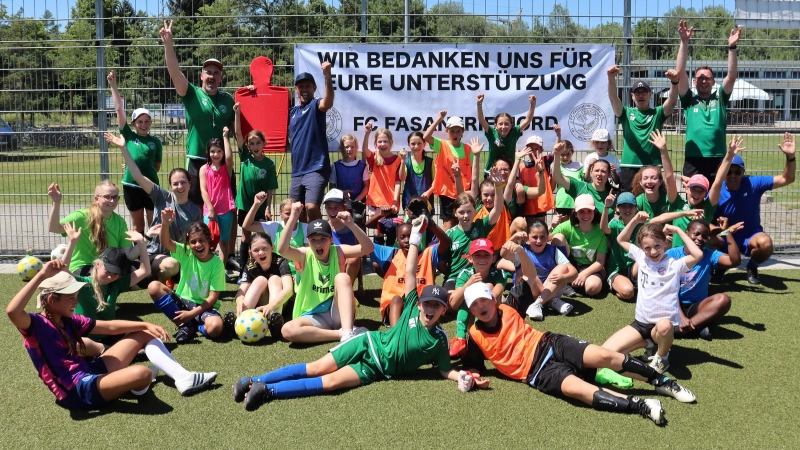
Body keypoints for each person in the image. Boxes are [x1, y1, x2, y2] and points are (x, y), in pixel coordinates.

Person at [233, 217, 465, 411]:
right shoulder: (413, 306)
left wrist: (463, 377)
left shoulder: (440, 339)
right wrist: (415, 236)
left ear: (445, 309)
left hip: (377, 370)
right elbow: (411, 272)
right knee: (317, 368)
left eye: (437, 306)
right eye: (428, 304)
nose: (430, 309)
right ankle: (253, 381)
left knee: (330, 383)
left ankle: (267, 391)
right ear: (420, 304)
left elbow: (446, 369)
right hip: (366, 343)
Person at [462, 281, 696, 426]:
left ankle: (662, 381)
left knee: (604, 356)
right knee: (579, 390)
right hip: (537, 373)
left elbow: (529, 276)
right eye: (474, 305)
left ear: (493, 299)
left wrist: (519, 249)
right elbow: (474, 366)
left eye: (484, 300)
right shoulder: (474, 335)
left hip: (550, 343)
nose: (480, 307)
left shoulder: (510, 306)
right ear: (470, 310)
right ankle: (642, 405)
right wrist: (472, 376)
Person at [7, 260, 217, 409]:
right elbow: (12, 311)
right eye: (70, 298)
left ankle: (183, 378)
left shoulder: (69, 320)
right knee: (142, 374)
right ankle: (131, 384)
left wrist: (145, 325)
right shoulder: (37, 326)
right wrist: (42, 275)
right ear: (52, 301)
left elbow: (109, 327)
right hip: (77, 392)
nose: (76, 302)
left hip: (89, 371)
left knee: (141, 333)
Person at [602, 213, 703, 373]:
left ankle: (662, 357)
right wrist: (635, 220)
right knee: (605, 353)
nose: (653, 251)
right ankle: (648, 343)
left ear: (665, 243)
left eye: (657, 246)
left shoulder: (675, 264)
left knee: (664, 325)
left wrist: (677, 230)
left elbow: (698, 254)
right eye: (647, 248)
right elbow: (621, 239)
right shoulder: (641, 258)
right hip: (641, 323)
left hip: (663, 328)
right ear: (642, 248)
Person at [106, 132, 202, 285]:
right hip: (155, 255)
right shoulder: (162, 196)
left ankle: (164, 280)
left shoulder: (195, 211)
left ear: (190, 184)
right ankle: (162, 286)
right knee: (171, 265)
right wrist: (124, 148)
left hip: (180, 256)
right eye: (175, 183)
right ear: (170, 186)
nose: (180, 186)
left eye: (183, 182)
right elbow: (137, 176)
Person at [160, 20, 235, 206]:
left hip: (220, 161)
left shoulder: (228, 99)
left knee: (222, 206)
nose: (212, 76)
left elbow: (239, 129)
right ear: (201, 76)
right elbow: (175, 72)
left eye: (216, 73)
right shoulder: (191, 93)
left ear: (220, 78)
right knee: (195, 206)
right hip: (196, 159)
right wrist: (169, 45)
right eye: (208, 72)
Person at [277, 203, 373, 344]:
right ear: (308, 242)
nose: (318, 244)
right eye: (313, 240)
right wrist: (293, 217)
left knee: (342, 277)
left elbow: (368, 248)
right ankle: (342, 333)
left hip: (338, 311)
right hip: (313, 316)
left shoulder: (338, 251)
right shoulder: (304, 255)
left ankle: (347, 331)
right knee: (288, 330)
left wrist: (351, 224)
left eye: (323, 239)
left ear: (331, 240)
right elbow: (282, 250)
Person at [714, 132, 796, 284]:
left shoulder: (754, 183)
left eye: (737, 171)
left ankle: (752, 266)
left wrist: (790, 157)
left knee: (765, 244)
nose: (733, 175)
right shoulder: (716, 189)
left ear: (743, 172)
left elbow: (787, 178)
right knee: (706, 237)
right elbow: (705, 220)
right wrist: (724, 231)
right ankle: (722, 264)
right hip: (725, 235)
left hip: (750, 236)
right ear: (723, 173)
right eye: (728, 171)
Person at [676, 20, 742, 183]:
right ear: (694, 82)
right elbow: (679, 73)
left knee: (717, 200)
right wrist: (684, 42)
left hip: (718, 157)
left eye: (707, 78)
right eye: (700, 78)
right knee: (694, 199)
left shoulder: (720, 97)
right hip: (694, 158)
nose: (704, 81)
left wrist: (732, 48)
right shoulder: (689, 99)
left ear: (713, 82)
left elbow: (732, 76)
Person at [147, 209, 226, 343]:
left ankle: (198, 326)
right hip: (183, 302)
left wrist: (191, 314)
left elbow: (213, 298)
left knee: (215, 328)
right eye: (193, 242)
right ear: (188, 244)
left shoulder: (217, 263)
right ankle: (185, 326)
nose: (198, 245)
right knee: (153, 287)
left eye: (202, 240)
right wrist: (165, 223)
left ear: (209, 240)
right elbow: (166, 242)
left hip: (203, 307)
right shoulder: (186, 253)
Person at [370, 202, 451, 327]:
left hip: (421, 308)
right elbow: (364, 241)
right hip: (394, 308)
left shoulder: (428, 253)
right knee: (396, 299)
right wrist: (379, 215)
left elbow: (446, 242)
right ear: (397, 240)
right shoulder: (390, 254)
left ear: (417, 236)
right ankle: (396, 335)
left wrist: (431, 223)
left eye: (411, 236)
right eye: (403, 237)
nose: (407, 240)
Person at [665, 219, 742, 340]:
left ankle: (684, 329)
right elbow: (667, 290)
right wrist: (681, 316)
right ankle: (698, 327)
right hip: (672, 304)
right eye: (696, 234)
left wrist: (727, 232)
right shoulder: (672, 254)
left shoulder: (709, 255)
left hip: (695, 307)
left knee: (724, 300)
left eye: (705, 236)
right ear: (686, 234)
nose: (700, 238)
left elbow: (734, 261)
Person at [607, 66, 679, 192]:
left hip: (652, 166)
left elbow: (672, 100)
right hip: (630, 166)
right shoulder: (625, 113)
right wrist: (611, 79)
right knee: (629, 203)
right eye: (637, 93)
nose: (641, 96)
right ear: (632, 96)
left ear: (650, 94)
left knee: (653, 201)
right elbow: (614, 99)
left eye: (644, 92)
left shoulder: (657, 113)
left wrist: (674, 82)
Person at [107, 70, 162, 234]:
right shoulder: (128, 136)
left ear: (151, 122)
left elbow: (156, 166)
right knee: (137, 227)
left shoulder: (156, 142)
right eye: (140, 122)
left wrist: (138, 168)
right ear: (133, 123)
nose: (143, 124)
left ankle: (154, 255)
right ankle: (138, 256)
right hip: (131, 186)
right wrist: (113, 85)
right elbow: (118, 109)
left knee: (154, 225)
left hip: (151, 187)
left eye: (147, 121)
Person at [47, 180, 134, 276]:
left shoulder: (119, 221)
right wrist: (56, 203)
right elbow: (54, 228)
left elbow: (129, 254)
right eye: (107, 197)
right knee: (104, 277)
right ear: (96, 199)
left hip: (108, 267)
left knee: (143, 275)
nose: (112, 201)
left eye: (115, 197)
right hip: (82, 266)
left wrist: (146, 238)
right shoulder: (81, 216)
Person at [670, 135, 743, 248]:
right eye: (693, 189)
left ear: (706, 193)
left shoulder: (707, 207)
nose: (696, 194)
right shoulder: (678, 204)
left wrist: (729, 156)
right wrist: (663, 150)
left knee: (731, 259)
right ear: (687, 188)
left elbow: (718, 182)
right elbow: (669, 177)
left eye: (701, 191)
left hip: (701, 258)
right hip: (678, 259)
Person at [497, 222, 577, 320]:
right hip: (527, 291)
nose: (539, 241)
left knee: (563, 269)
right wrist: (512, 239)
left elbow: (573, 272)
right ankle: (550, 301)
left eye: (542, 237)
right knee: (529, 273)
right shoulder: (522, 250)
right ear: (527, 237)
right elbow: (504, 254)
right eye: (534, 237)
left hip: (549, 288)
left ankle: (538, 304)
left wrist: (563, 277)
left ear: (548, 237)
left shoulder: (553, 250)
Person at [234, 102, 278, 274]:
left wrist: (268, 206)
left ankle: (263, 266)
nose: (255, 146)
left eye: (258, 143)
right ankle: (245, 269)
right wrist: (237, 114)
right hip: (246, 205)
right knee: (245, 236)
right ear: (247, 146)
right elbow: (238, 134)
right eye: (251, 143)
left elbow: (270, 187)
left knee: (261, 237)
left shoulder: (269, 164)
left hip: (261, 208)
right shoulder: (245, 158)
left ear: (264, 144)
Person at [289, 64, 334, 222]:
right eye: (301, 86)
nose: (304, 89)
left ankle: (322, 238)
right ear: (296, 89)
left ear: (314, 88)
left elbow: (327, 103)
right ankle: (305, 244)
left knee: (311, 207)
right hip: (297, 171)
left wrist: (328, 76)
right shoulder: (292, 112)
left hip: (316, 167)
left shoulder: (315, 105)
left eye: (308, 85)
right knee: (295, 211)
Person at [234, 232, 293, 339]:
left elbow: (289, 290)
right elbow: (241, 291)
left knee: (274, 278)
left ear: (272, 248)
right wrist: (240, 300)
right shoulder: (250, 265)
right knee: (260, 280)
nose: (261, 253)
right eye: (256, 250)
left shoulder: (281, 261)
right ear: (250, 253)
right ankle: (241, 318)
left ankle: (275, 320)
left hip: (281, 304)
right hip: (260, 305)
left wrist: (271, 306)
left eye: (264, 248)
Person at [550, 194, 609, 298]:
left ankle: (572, 283)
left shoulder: (600, 231)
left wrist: (584, 274)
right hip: (569, 265)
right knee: (558, 237)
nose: (585, 215)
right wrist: (552, 226)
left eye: (589, 211)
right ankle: (569, 281)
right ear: (575, 213)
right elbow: (545, 239)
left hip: (589, 267)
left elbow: (600, 261)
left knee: (593, 287)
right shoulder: (568, 225)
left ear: (594, 212)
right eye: (581, 211)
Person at [423, 111, 472, 227]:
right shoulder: (442, 145)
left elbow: (472, 171)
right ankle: (445, 245)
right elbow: (426, 137)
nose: (455, 134)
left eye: (458, 131)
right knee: (448, 225)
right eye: (452, 131)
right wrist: (439, 119)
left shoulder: (468, 149)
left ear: (462, 132)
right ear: (447, 131)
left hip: (463, 193)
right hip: (447, 193)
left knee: (460, 224)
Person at [242, 195, 307, 281]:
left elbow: (307, 256)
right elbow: (247, 226)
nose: (291, 216)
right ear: (280, 214)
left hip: (298, 273)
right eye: (287, 213)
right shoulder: (275, 226)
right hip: (278, 273)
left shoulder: (305, 228)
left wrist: (301, 274)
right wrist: (256, 204)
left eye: (294, 212)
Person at [199, 130, 235, 270]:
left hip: (226, 210)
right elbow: (203, 190)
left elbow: (230, 157)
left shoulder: (227, 168)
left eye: (219, 151)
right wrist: (211, 208)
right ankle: (208, 269)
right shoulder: (204, 169)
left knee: (224, 242)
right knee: (208, 242)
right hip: (210, 211)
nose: (216, 154)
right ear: (208, 152)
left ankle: (220, 269)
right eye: (213, 151)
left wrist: (225, 137)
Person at [476, 93, 536, 172]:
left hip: (509, 172)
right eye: (500, 124)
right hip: (491, 172)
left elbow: (527, 120)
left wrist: (533, 104)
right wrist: (479, 103)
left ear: (511, 125)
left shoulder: (514, 133)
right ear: (495, 125)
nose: (503, 127)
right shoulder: (491, 133)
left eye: (506, 124)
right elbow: (481, 120)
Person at [552, 142, 616, 215]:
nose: (599, 174)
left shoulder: (614, 194)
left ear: (609, 174)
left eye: (603, 171)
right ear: (591, 172)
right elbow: (557, 177)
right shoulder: (581, 187)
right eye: (596, 170)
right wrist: (557, 155)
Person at [631, 130, 678, 221]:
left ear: (660, 181)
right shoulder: (637, 202)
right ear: (640, 182)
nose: (649, 181)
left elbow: (669, 177)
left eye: (653, 178)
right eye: (645, 178)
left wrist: (663, 149)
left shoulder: (668, 198)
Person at [330, 133, 369, 204]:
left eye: (352, 147)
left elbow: (366, 186)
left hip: (358, 206)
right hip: (341, 205)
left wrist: (357, 200)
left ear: (356, 148)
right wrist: (342, 193)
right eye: (346, 147)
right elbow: (332, 188)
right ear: (341, 148)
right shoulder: (336, 166)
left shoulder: (362, 166)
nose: (349, 149)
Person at [402, 131, 435, 212]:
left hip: (426, 203)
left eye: (419, 143)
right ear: (408, 145)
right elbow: (402, 177)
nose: (416, 146)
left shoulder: (430, 162)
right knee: (410, 224)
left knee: (425, 224)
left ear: (424, 144)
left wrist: (429, 192)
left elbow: (436, 181)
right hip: (409, 203)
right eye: (413, 144)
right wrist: (402, 161)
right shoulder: (406, 162)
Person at [552, 139, 582, 217]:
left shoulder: (579, 166)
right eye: (562, 154)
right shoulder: (556, 167)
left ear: (572, 152)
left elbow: (585, 182)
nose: (565, 157)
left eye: (568, 154)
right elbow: (552, 187)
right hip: (562, 202)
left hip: (576, 202)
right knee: (561, 227)